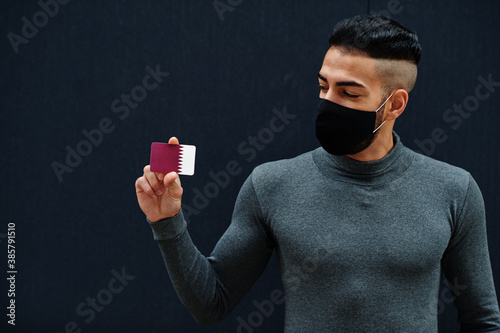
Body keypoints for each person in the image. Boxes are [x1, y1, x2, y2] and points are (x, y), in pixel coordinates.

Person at [135, 15, 500, 332]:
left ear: (395, 105)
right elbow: (210, 303)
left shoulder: (454, 190)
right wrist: (167, 220)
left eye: (349, 93)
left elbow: (482, 319)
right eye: (324, 86)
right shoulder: (272, 185)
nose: (329, 102)